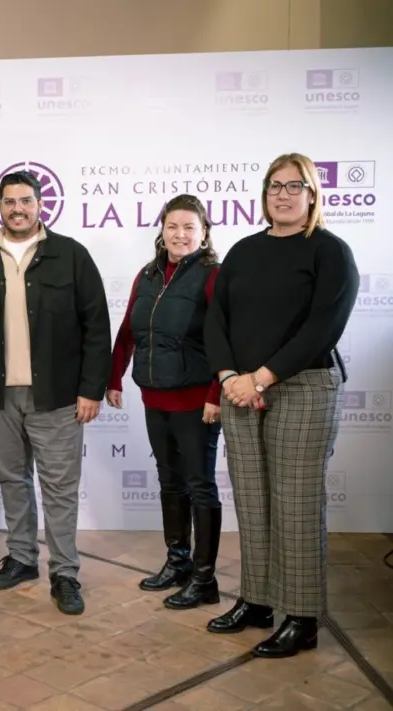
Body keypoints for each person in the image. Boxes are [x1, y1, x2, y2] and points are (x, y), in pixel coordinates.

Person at [204, 152, 358, 658]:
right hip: (239, 390)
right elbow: (216, 320)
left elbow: (322, 327)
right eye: (275, 185)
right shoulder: (244, 252)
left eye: (295, 186)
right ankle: (258, 600)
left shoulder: (329, 251)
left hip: (302, 387)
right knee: (252, 500)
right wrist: (230, 377)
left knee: (295, 505)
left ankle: (302, 616)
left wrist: (262, 378)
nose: (283, 194)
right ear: (264, 193)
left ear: (312, 195)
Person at [0, 170, 111, 615]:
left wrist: (91, 388)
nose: (17, 208)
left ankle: (65, 572)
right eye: (9, 201)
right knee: (12, 481)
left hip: (56, 396)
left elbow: (97, 328)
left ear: (40, 205)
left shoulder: (71, 255)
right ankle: (21, 557)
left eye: (26, 200)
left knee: (59, 487)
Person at [106, 194, 223, 610]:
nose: (180, 234)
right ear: (162, 230)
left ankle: (205, 579)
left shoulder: (212, 275)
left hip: (196, 402)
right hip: (154, 396)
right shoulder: (148, 274)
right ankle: (178, 563)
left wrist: (216, 394)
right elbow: (129, 329)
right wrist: (114, 374)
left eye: (190, 227)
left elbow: (225, 340)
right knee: (170, 483)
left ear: (204, 233)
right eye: (173, 226)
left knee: (200, 485)